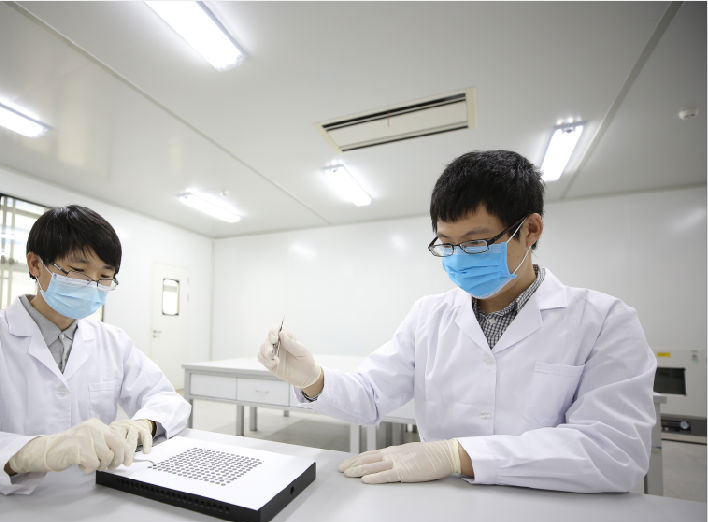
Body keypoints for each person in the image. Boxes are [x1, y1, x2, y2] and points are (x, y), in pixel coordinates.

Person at [258, 150, 657, 493]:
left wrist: (455, 455)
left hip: (552, 508)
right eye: (448, 244)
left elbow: (614, 451)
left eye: (476, 242)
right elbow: (371, 396)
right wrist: (313, 379)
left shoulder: (604, 320)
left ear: (530, 230)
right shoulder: (429, 314)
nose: (461, 257)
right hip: (443, 503)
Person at [0, 205, 190, 494]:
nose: (92, 285)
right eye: (78, 270)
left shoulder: (113, 341)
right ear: (35, 265)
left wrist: (143, 424)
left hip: (94, 498)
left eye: (104, 277)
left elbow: (166, 398)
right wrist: (33, 453)